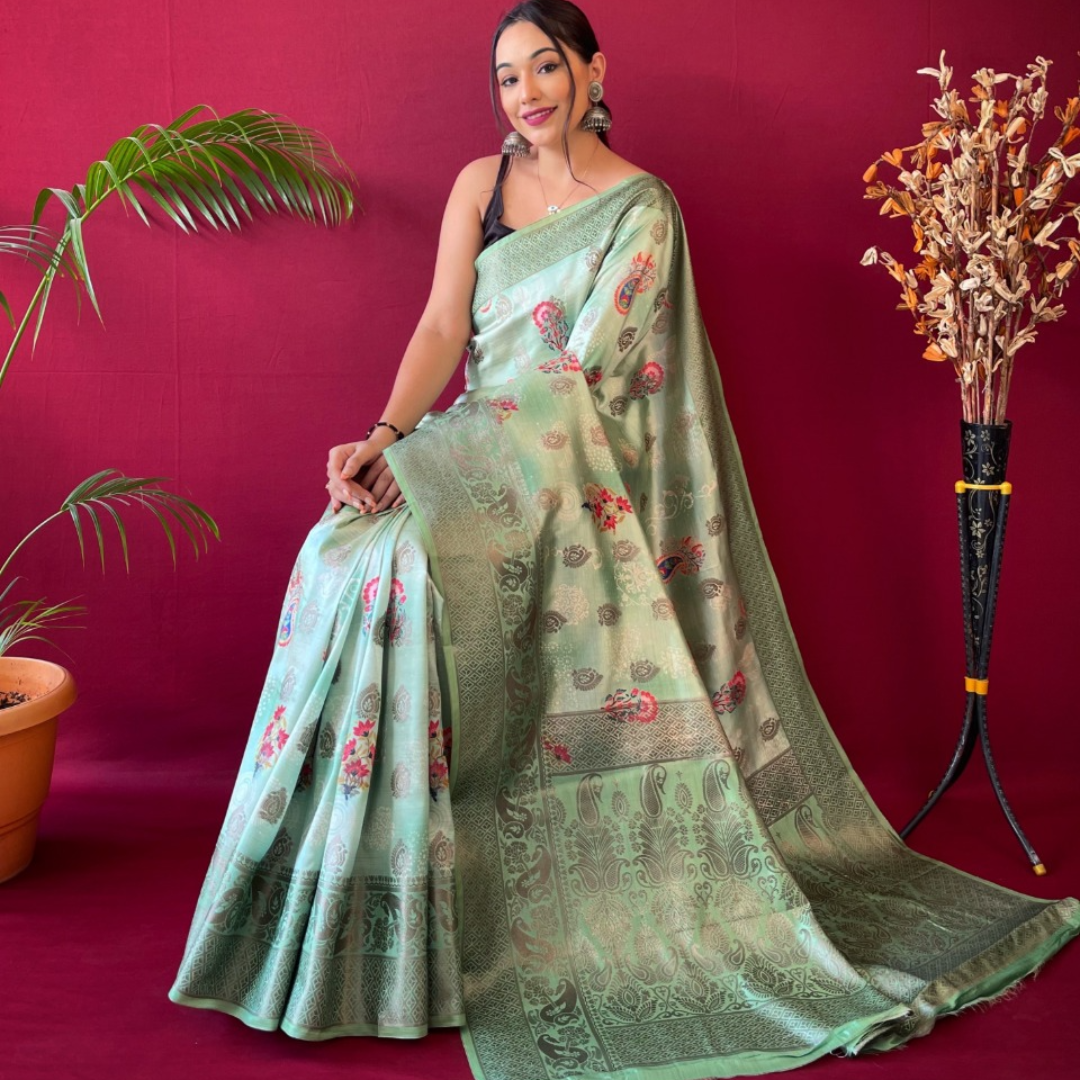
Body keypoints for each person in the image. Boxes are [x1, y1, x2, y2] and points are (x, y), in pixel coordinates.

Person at [168, 3, 1080, 1078]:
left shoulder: (642, 208)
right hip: (470, 445)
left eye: (544, 67)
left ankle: (454, 913)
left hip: (567, 471)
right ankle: (367, 907)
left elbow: (585, 382)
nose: (525, 94)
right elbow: (442, 327)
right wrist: (387, 440)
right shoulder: (479, 186)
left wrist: (442, 467)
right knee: (344, 553)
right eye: (506, 77)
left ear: (594, 72)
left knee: (410, 564)